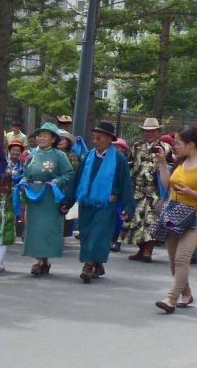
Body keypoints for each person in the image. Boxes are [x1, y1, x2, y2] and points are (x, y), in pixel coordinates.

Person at [155, 127, 197, 312]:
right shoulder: (180, 162)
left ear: (191, 144)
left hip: (195, 217)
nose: (175, 147)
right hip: (174, 214)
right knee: (174, 260)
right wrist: (162, 162)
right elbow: (166, 184)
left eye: (178, 143)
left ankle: (171, 299)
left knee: (182, 258)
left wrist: (191, 193)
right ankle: (186, 293)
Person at [72, 121, 134, 284]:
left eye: (100, 137)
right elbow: (77, 180)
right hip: (86, 203)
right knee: (86, 234)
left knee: (98, 234)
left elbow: (126, 184)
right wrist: (68, 200)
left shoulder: (119, 159)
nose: (96, 140)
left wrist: (128, 207)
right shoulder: (87, 157)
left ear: (109, 139)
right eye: (94, 136)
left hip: (106, 204)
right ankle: (97, 263)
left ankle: (88, 265)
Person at [20, 122, 74, 276]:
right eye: (39, 135)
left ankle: (45, 258)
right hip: (34, 195)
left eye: (45, 135)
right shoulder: (32, 154)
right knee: (35, 228)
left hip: (50, 195)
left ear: (53, 139)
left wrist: (56, 182)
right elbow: (26, 173)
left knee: (47, 228)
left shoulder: (59, 155)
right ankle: (38, 259)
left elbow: (69, 173)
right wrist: (23, 183)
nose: (41, 138)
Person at [123, 118, 165, 262]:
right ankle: (141, 249)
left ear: (158, 132)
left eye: (153, 131)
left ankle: (148, 250)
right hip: (138, 190)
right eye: (147, 131)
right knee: (136, 220)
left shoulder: (165, 148)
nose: (149, 133)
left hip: (155, 191)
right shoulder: (137, 147)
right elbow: (131, 164)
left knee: (151, 221)